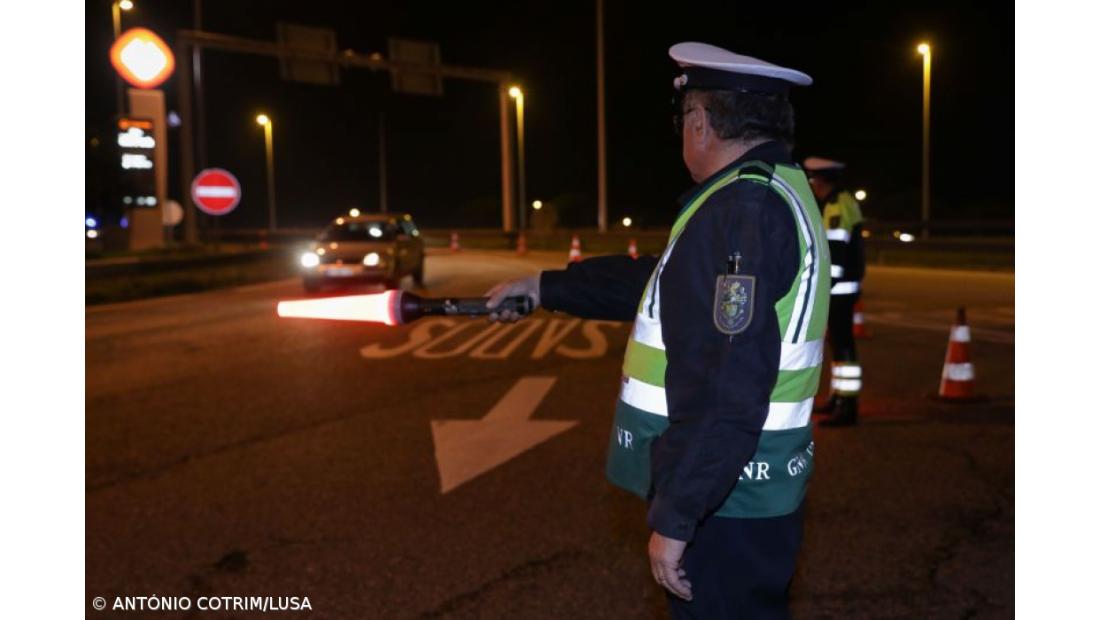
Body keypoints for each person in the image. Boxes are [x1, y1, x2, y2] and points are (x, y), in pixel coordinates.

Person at [486, 42, 829, 619]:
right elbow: (667, 282)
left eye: (684, 120)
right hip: (748, 488)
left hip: (729, 500)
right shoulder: (769, 189)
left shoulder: (739, 209)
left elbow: (726, 383)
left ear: (699, 122)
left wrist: (679, 516)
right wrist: (547, 286)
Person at [803, 157, 865, 426]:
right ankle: (838, 397)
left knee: (843, 346)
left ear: (821, 180)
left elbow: (837, 252)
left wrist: (826, 288)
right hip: (838, 288)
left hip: (839, 289)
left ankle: (847, 406)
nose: (811, 185)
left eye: (812, 180)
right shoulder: (834, 202)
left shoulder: (838, 204)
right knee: (838, 346)